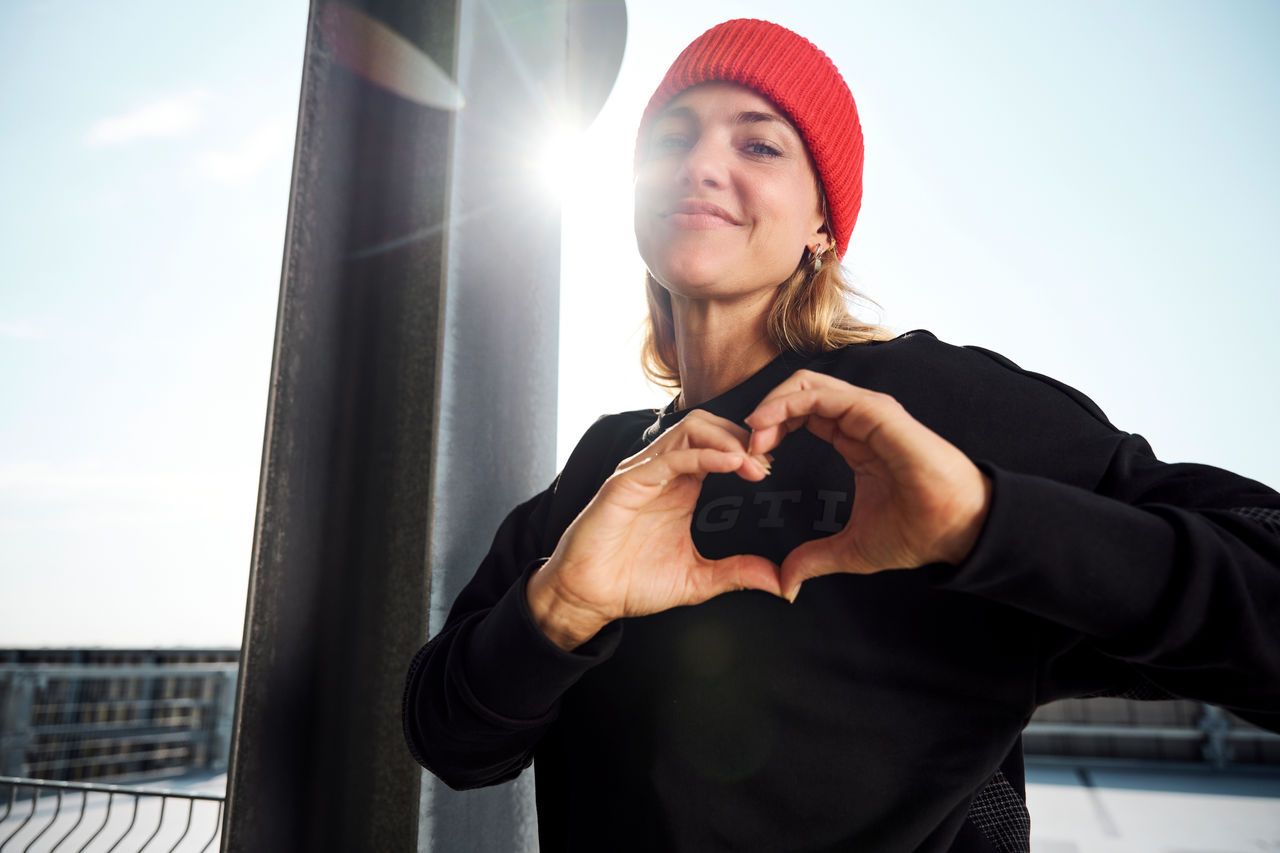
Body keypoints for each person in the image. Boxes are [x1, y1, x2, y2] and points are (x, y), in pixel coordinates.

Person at [403, 18, 1280, 853]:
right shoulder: (607, 466)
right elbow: (450, 741)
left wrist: (985, 522)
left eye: (758, 145)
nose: (700, 164)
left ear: (822, 224)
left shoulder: (926, 404)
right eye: (671, 139)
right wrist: (562, 606)